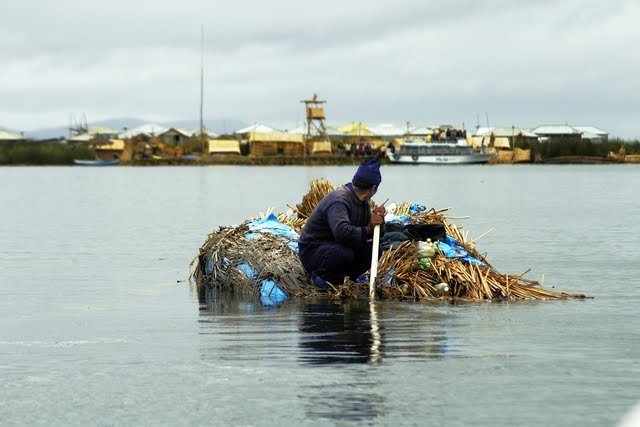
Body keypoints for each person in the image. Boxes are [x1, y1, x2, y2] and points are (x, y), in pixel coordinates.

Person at [298, 157, 385, 289]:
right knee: (344, 253)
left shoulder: (363, 202)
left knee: (375, 248)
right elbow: (342, 233)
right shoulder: (339, 200)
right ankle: (319, 277)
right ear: (373, 188)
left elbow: (373, 232)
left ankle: (349, 277)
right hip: (313, 251)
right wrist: (367, 229)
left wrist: (379, 222)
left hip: (338, 247)